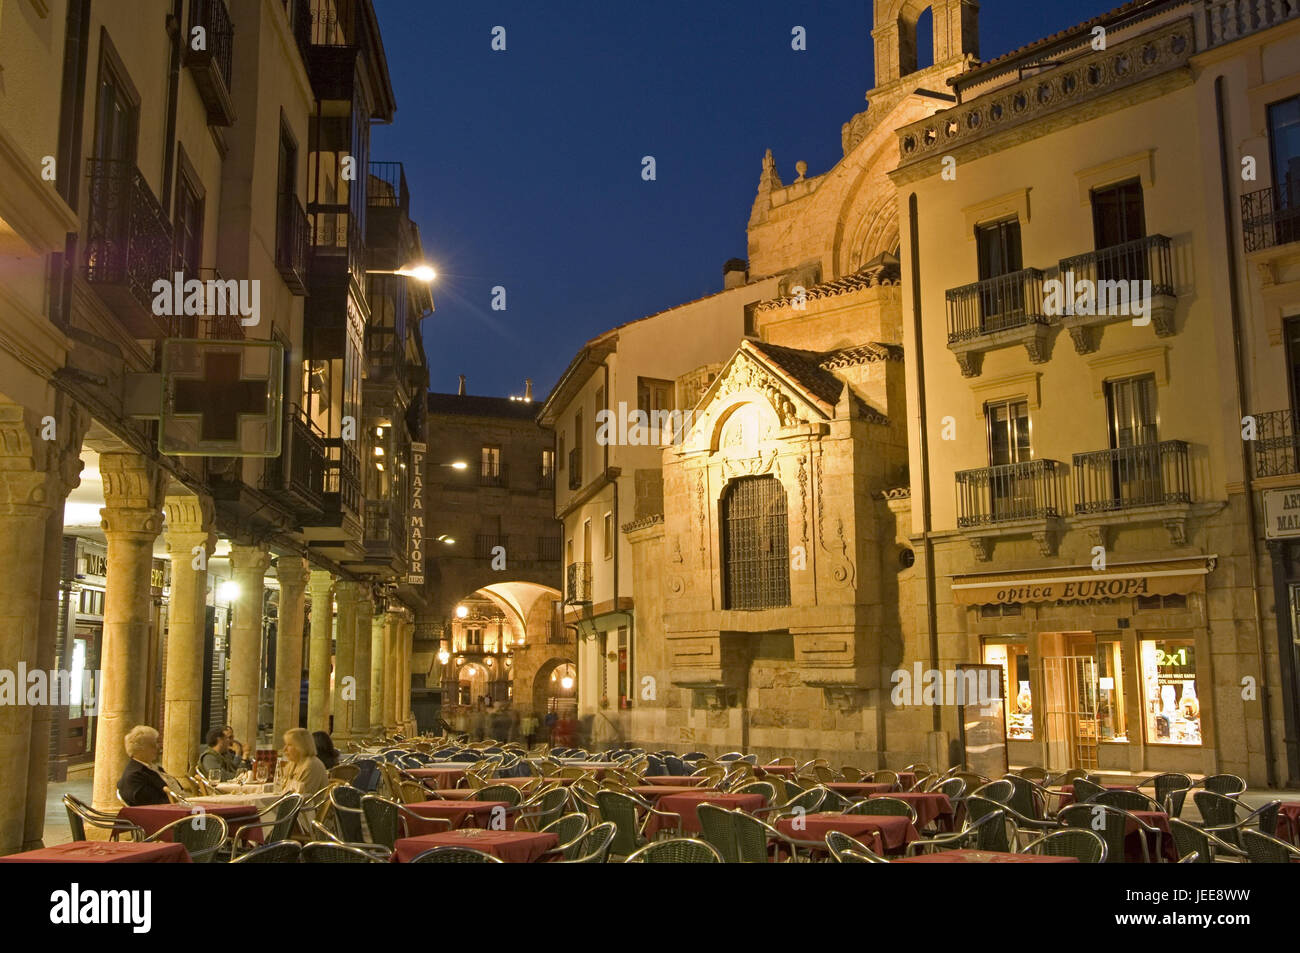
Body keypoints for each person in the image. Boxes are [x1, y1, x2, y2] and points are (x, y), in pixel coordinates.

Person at [117, 725, 170, 806]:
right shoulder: (135, 776)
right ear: (140, 748)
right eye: (153, 744)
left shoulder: (153, 767)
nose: (158, 747)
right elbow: (155, 804)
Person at [278, 727, 328, 796]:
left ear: (301, 747)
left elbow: (300, 798)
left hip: (307, 806)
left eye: (289, 745)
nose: (284, 749)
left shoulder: (311, 765)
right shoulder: (293, 764)